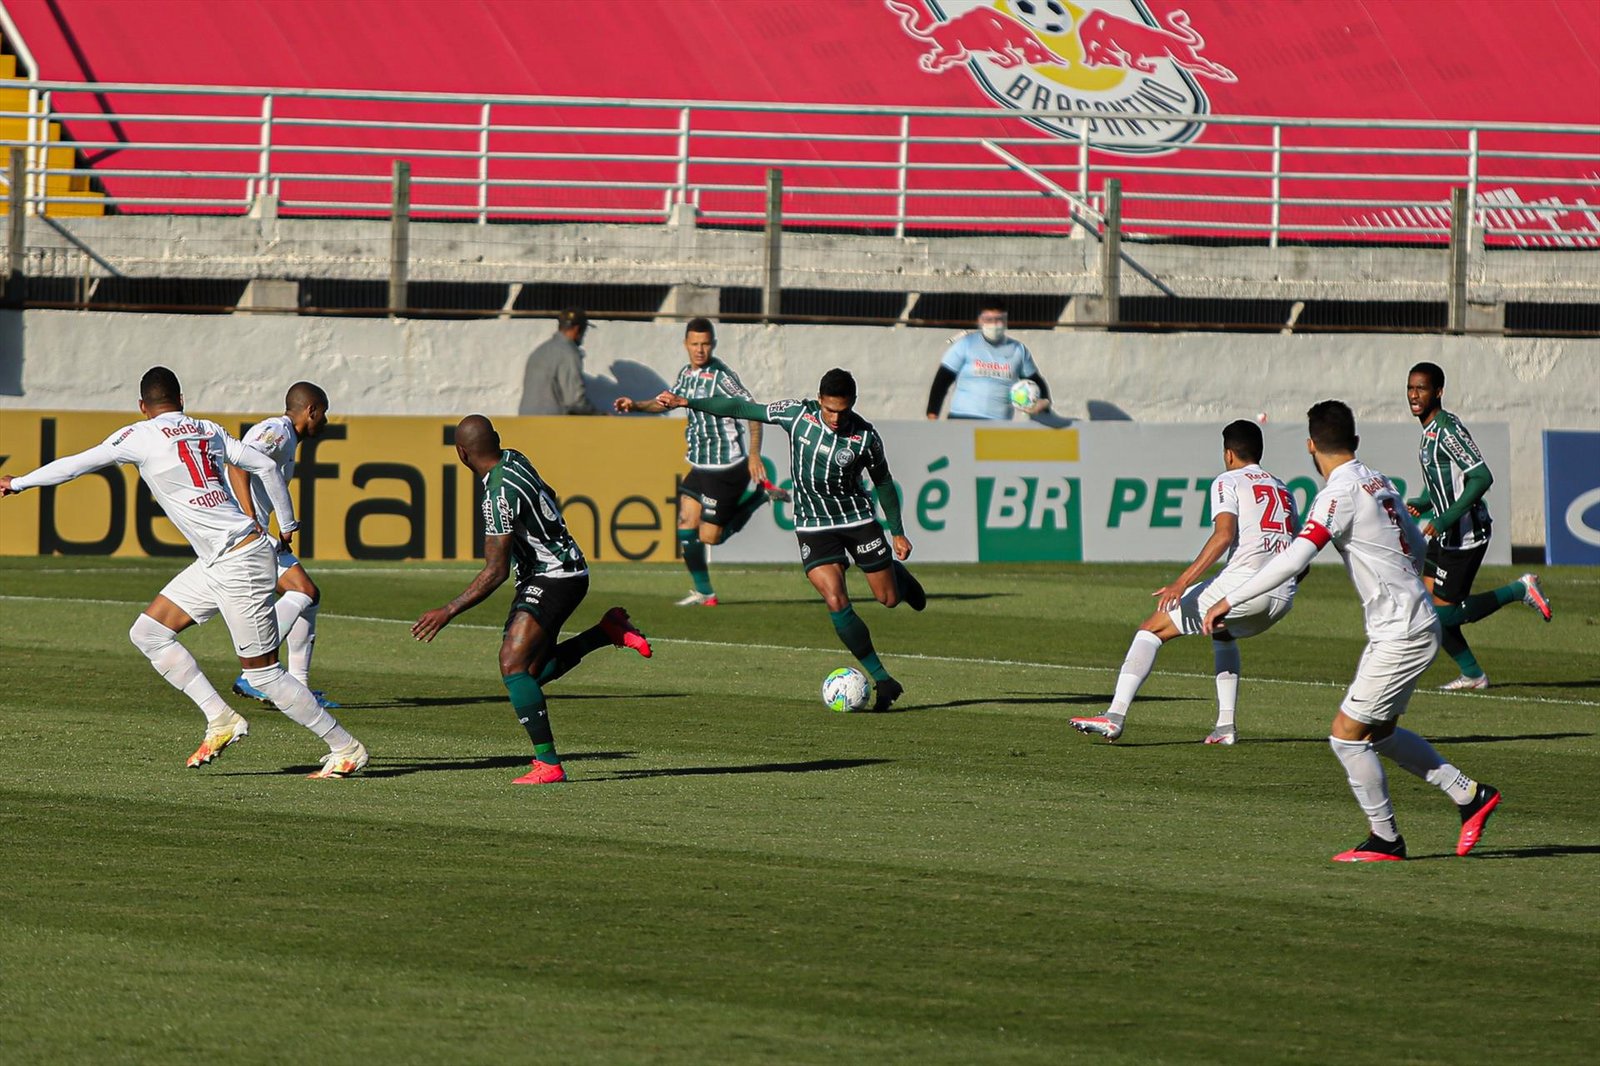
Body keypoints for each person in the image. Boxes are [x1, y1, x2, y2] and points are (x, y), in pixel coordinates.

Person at [0, 366, 368, 778]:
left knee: (262, 675)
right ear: (182, 400)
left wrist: (19, 483)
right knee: (148, 632)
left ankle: (345, 747)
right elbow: (263, 466)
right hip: (220, 558)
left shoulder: (137, 436)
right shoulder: (206, 428)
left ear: (143, 406)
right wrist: (289, 525)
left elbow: (75, 465)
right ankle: (221, 719)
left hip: (238, 559)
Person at [1201, 400, 1501, 863]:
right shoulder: (1380, 481)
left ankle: (1386, 839)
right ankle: (1469, 796)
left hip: (1401, 630)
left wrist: (1229, 598)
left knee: (1345, 736)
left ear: (1310, 447)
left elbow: (1295, 559)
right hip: (1413, 621)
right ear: (1355, 442)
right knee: (1378, 733)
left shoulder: (1337, 494)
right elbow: (1419, 546)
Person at [657, 368, 926, 711]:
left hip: (856, 519)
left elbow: (884, 482)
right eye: (829, 409)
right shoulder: (796, 414)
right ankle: (884, 679)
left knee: (887, 599)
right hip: (814, 526)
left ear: (853, 404)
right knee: (834, 599)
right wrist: (687, 401)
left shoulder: (865, 438)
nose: (835, 418)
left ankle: (897, 577)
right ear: (819, 401)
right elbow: (741, 409)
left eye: (842, 411)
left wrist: (897, 530)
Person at [410, 415, 653, 784]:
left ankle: (549, 765)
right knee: (531, 673)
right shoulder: (516, 458)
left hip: (553, 577)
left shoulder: (496, 497)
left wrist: (448, 610)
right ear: (497, 439)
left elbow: (495, 571)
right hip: (567, 568)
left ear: (462, 454)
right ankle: (607, 632)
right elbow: (550, 492)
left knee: (512, 665)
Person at [1070, 419, 1299, 745]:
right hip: (1283, 594)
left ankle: (1114, 715)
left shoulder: (1228, 480)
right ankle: (1225, 727)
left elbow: (1223, 536)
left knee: (1151, 629)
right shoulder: (1283, 488)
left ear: (1229, 454)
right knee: (1222, 630)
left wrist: (1181, 583)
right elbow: (1298, 548)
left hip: (1245, 586)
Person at [613, 317, 788, 606]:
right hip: (699, 463)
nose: (700, 349)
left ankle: (758, 497)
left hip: (726, 469)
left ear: (713, 345)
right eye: (695, 343)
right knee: (685, 525)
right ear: (686, 344)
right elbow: (664, 403)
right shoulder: (685, 374)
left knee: (709, 538)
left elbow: (752, 410)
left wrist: (754, 454)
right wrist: (636, 405)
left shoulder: (721, 377)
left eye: (705, 344)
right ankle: (706, 593)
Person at [1404, 361, 1551, 691]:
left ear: (1438, 392)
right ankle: (1472, 675)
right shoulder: (1428, 432)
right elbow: (1445, 481)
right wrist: (1426, 503)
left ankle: (1520, 589)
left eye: (1421, 388)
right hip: (1444, 535)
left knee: (1442, 616)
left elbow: (1481, 477)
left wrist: (1443, 518)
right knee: (1426, 609)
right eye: (1411, 388)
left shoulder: (1447, 430)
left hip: (1464, 536)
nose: (1414, 394)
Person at [226, 381, 340, 709]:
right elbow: (238, 462)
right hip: (244, 536)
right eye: (324, 414)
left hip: (255, 535)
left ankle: (298, 688)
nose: (326, 422)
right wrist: (252, 519)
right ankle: (254, 672)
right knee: (304, 591)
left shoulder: (286, 438)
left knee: (309, 596)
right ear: (311, 411)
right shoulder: (276, 431)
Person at [925, 298, 1051, 421]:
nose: (994, 324)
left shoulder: (1018, 350)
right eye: (989, 320)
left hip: (998, 424)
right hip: (961, 418)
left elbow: (1037, 382)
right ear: (980, 320)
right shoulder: (966, 344)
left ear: (1006, 321)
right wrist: (932, 416)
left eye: (999, 320)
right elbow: (941, 381)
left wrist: (1044, 404)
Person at [519, 307, 598, 415]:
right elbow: (574, 401)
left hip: (525, 422)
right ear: (577, 329)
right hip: (551, 424)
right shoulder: (569, 353)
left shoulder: (540, 350)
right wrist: (598, 415)